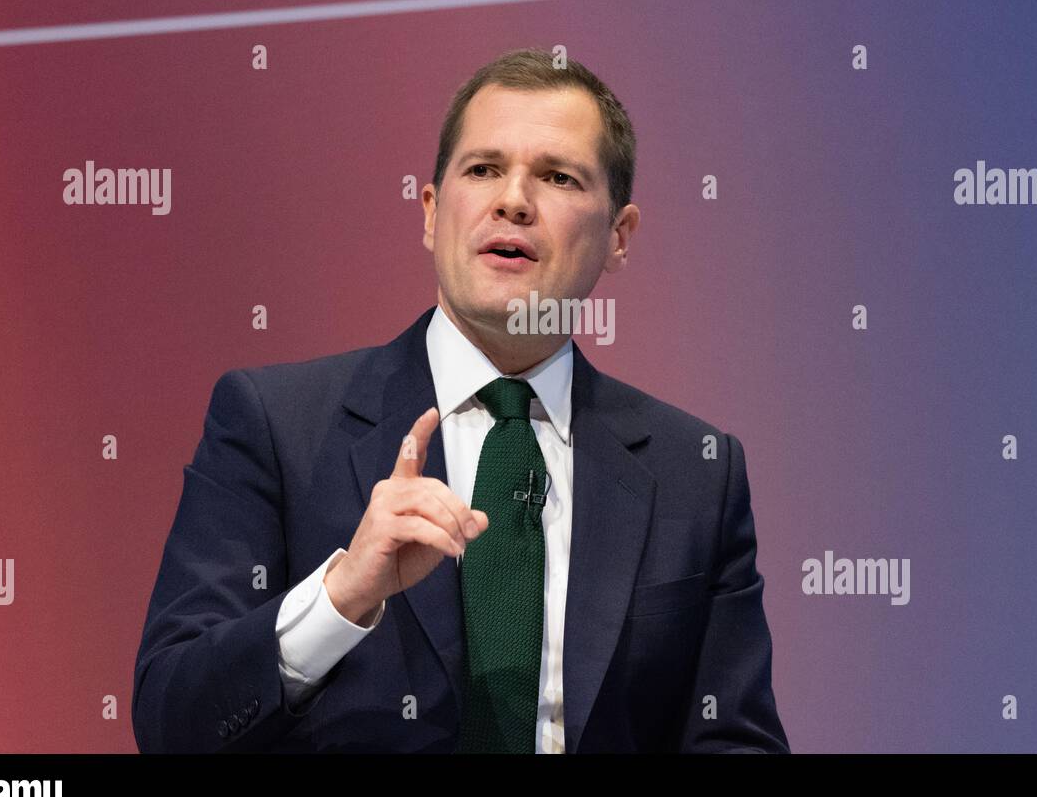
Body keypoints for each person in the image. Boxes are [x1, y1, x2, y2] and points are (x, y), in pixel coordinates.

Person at [131, 47, 790, 753]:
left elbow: (734, 742)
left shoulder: (697, 470)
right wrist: (342, 595)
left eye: (557, 176)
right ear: (430, 211)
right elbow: (173, 721)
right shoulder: (275, 424)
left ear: (619, 237)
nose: (513, 200)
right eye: (482, 170)